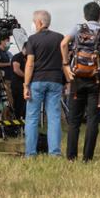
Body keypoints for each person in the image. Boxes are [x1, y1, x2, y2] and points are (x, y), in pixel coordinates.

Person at [61, 1, 100, 162]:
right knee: (93, 119)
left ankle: (71, 156)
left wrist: (66, 66)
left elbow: (63, 44)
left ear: (84, 16)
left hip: (76, 78)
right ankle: (87, 158)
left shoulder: (77, 29)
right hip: (97, 81)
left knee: (74, 120)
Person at [23, 10, 66, 157]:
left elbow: (30, 64)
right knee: (54, 117)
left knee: (32, 117)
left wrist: (26, 85)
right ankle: (54, 152)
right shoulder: (60, 38)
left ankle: (30, 153)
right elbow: (65, 60)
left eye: (35, 22)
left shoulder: (32, 39)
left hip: (37, 81)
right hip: (55, 80)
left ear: (40, 23)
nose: (34, 25)